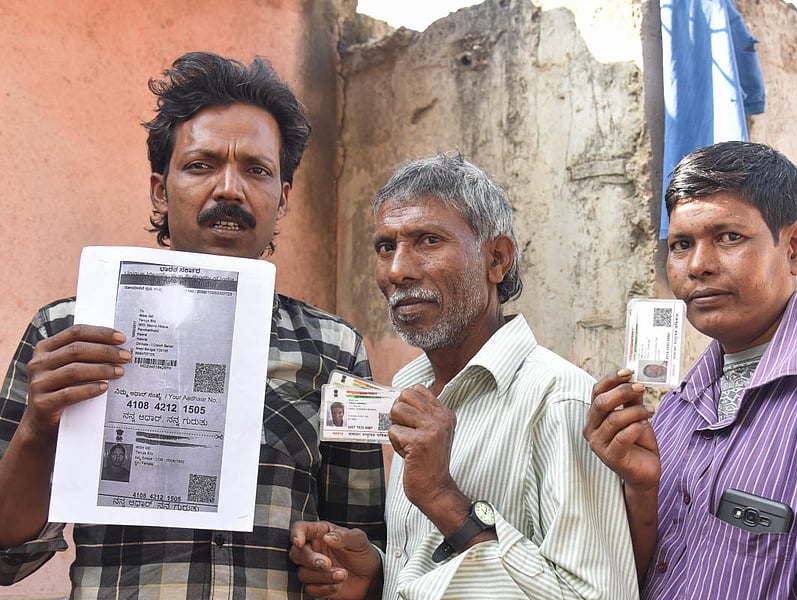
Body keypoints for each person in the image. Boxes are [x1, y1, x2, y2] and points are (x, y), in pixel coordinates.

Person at [0, 51, 386, 597]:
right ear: (161, 189)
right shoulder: (64, 331)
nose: (230, 188)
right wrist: (39, 428)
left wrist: (339, 558)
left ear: (283, 197)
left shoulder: (340, 350)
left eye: (257, 169)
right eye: (201, 165)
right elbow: (4, 557)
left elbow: (367, 540)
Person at [290, 151, 639, 599]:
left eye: (428, 241)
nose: (397, 270)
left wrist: (443, 498)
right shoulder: (409, 391)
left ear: (497, 259)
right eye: (385, 247)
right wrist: (377, 579)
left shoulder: (560, 400)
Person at [584, 141, 797, 599]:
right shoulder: (675, 408)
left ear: (794, 248)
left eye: (729, 237)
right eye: (681, 244)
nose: (698, 266)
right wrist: (640, 490)